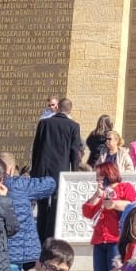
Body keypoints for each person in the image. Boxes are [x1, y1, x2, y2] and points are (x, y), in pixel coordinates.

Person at [30, 99, 84, 243]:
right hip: (60, 172)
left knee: (41, 206)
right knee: (56, 205)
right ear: (70, 111)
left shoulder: (44, 123)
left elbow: (35, 149)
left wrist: (34, 172)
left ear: (58, 107)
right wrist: (74, 172)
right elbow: (74, 151)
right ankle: (49, 238)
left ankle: (40, 239)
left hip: (42, 169)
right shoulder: (74, 126)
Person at [82, 161, 136, 271]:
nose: (97, 179)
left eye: (100, 176)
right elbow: (87, 213)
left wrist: (114, 204)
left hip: (116, 240)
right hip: (99, 240)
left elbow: (134, 206)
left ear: (108, 173)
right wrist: (97, 195)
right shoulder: (101, 192)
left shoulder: (125, 187)